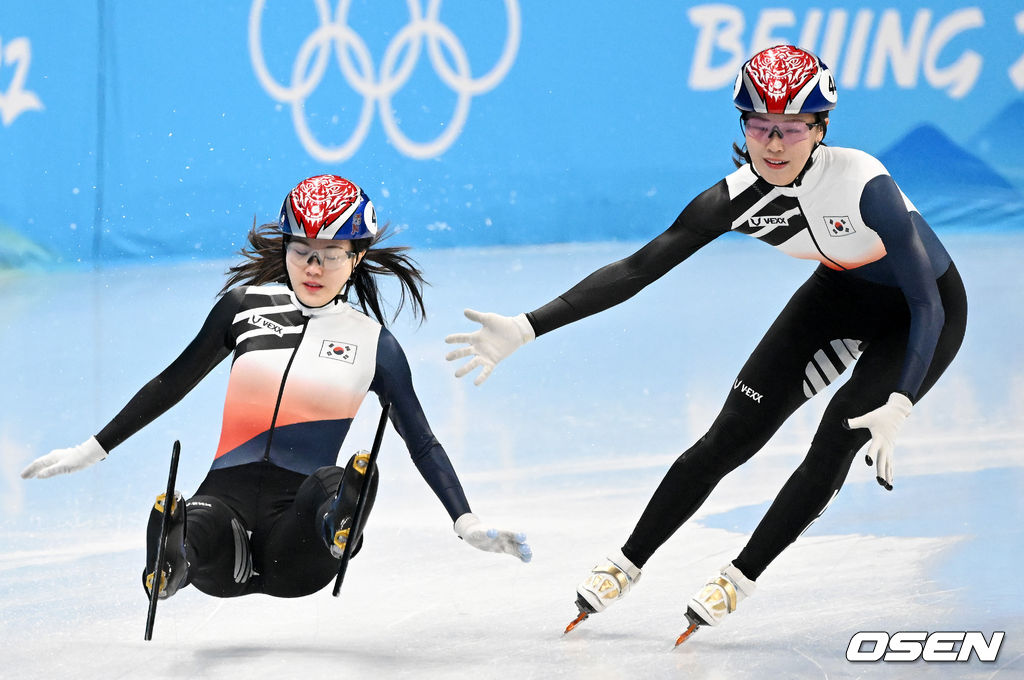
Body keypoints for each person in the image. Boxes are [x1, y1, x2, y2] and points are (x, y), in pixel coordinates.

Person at [444, 45, 967, 638]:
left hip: (925, 314)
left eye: (792, 128)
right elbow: (637, 270)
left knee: (836, 439)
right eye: (760, 126)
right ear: (743, 125)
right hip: (839, 293)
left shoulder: (864, 183)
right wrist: (527, 325)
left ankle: (739, 577)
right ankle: (626, 562)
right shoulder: (732, 199)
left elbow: (925, 301)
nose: (774, 144)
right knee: (729, 435)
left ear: (821, 128)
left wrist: (900, 398)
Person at [22, 174, 531, 601]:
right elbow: (171, 382)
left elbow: (421, 440)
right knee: (194, 520)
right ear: (285, 247)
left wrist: (465, 521)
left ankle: (339, 526)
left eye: (331, 255)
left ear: (357, 258)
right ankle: (172, 565)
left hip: (299, 544)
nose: (313, 267)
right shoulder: (243, 308)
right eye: (302, 251)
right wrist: (92, 449)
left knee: (337, 480)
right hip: (225, 531)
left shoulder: (374, 344)